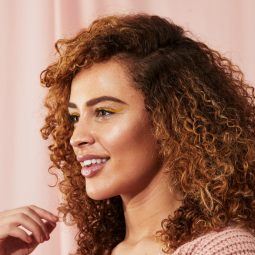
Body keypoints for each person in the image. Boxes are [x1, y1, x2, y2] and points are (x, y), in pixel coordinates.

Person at [1, 13, 255, 255]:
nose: (76, 137)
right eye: (75, 117)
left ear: (169, 120)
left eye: (103, 112)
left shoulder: (224, 249)